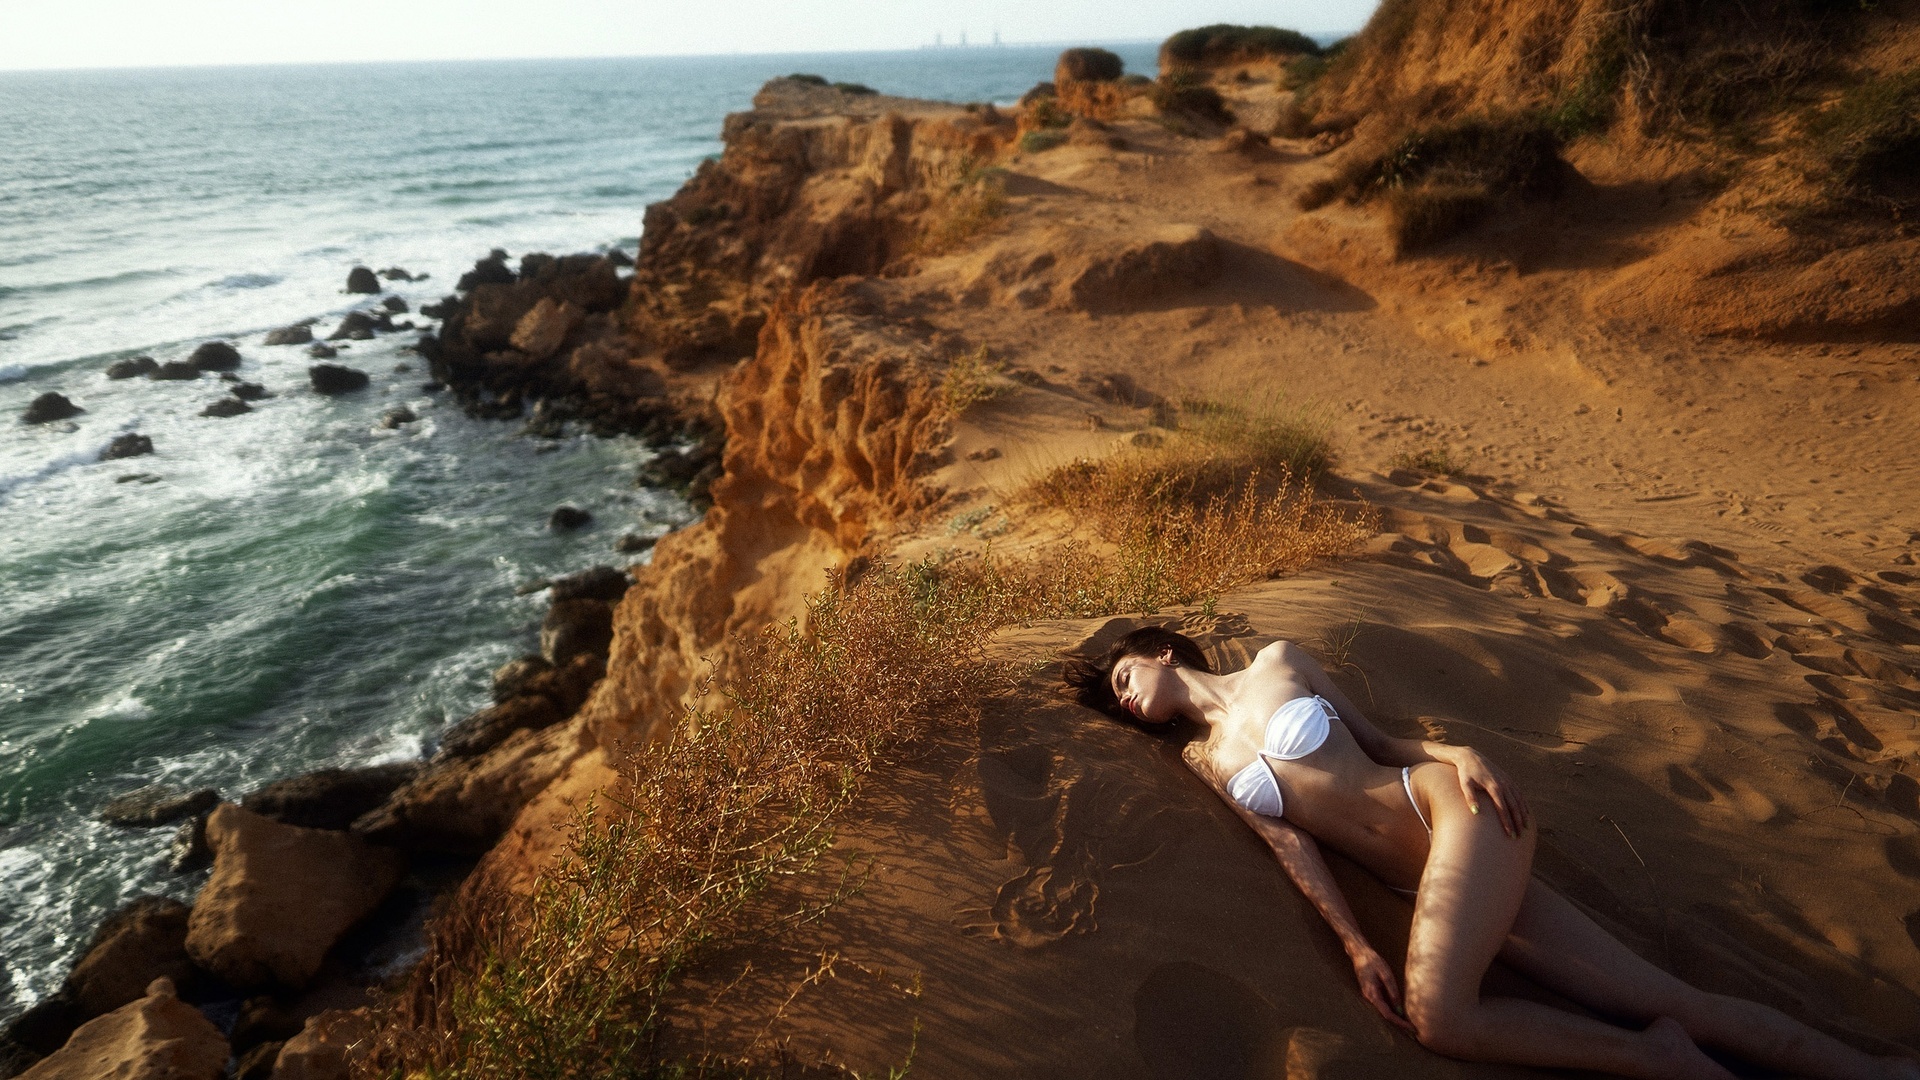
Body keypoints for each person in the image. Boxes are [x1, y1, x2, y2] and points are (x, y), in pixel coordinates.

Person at [1064, 625, 1918, 1080]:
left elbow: (1386, 741)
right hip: (1439, 882)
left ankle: (1650, 1060)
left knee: (1441, 1016)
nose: (1130, 701)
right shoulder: (1205, 762)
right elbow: (1294, 848)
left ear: (1160, 650)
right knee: (1667, 997)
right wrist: (1357, 945)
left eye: (1124, 681)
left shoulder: (1278, 664)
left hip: (1458, 814)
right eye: (1120, 702)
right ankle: (1866, 1071)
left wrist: (1459, 752)